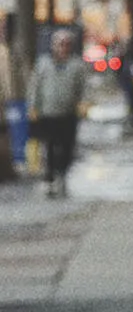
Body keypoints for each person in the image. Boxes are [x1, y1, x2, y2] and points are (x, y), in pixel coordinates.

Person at [29, 29, 86, 198]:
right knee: (51, 146)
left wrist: (82, 105)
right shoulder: (44, 64)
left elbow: (82, 88)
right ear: (53, 46)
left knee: (67, 145)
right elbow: (35, 87)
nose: (63, 47)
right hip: (48, 112)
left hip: (68, 113)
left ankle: (62, 173)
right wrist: (33, 107)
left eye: (66, 44)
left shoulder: (76, 66)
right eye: (60, 44)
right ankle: (51, 176)